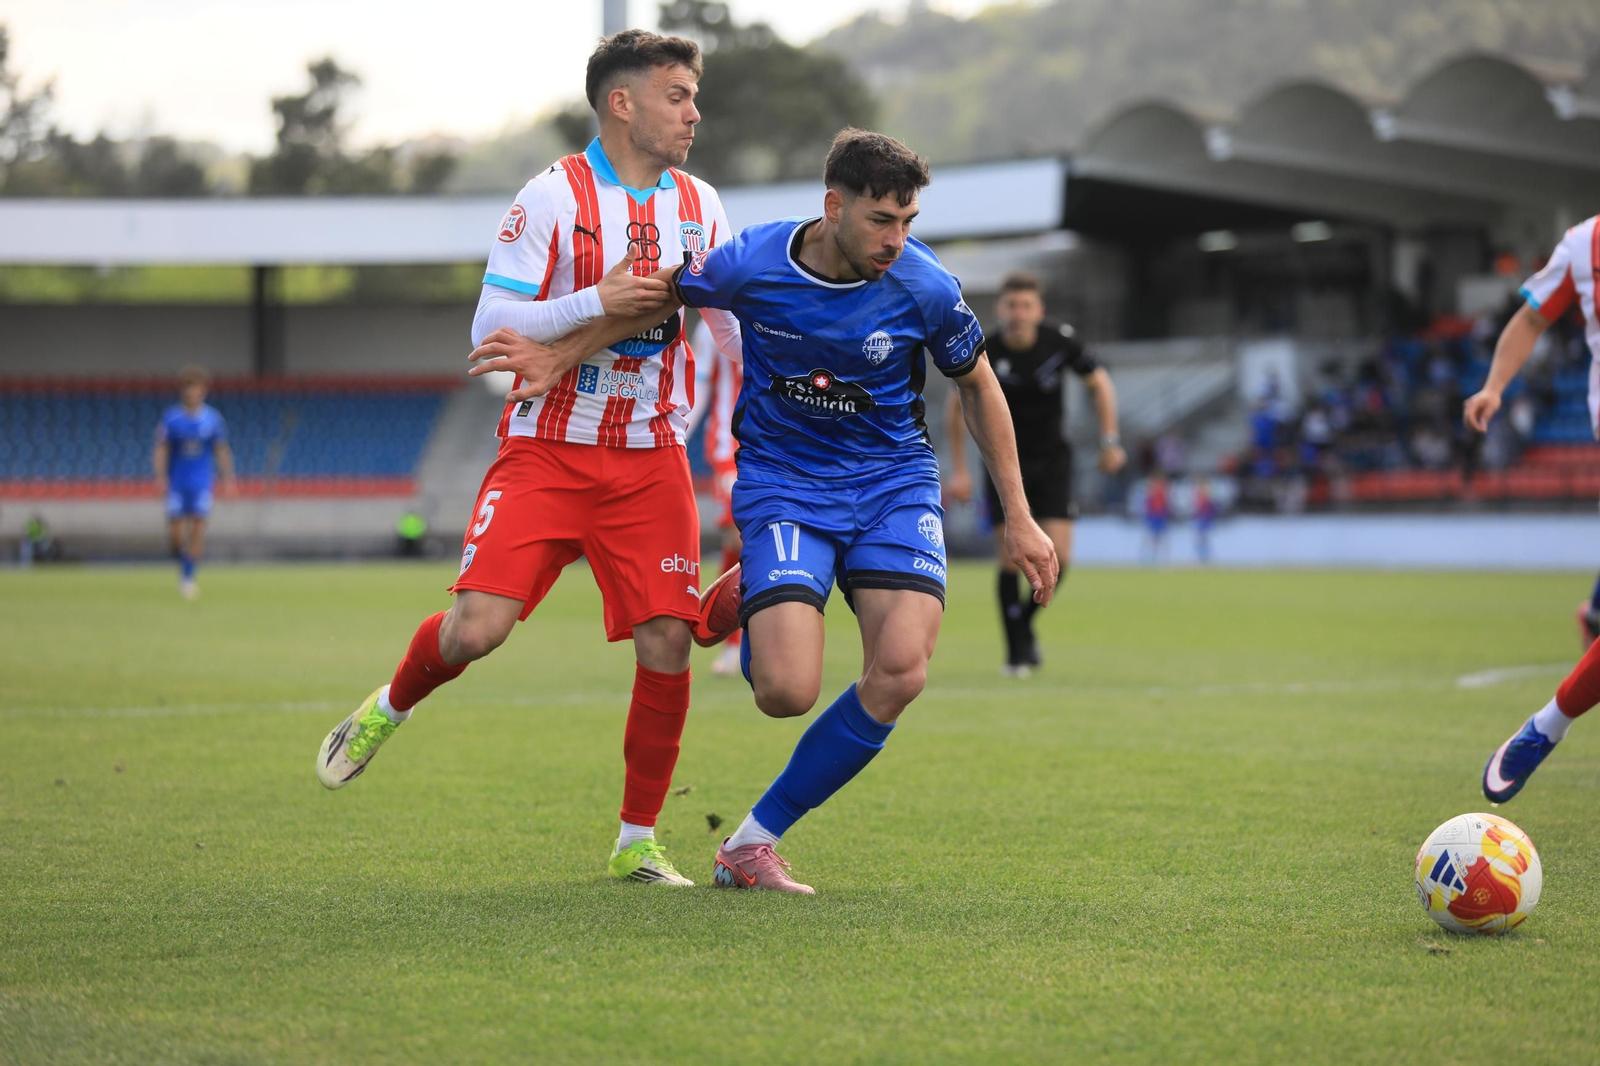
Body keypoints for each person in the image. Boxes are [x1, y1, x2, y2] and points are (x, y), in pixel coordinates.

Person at [467, 129, 1058, 892]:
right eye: (881, 220)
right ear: (834, 207)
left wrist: (1020, 516)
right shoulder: (752, 260)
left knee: (901, 671)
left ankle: (751, 842)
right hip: (786, 482)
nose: (896, 239)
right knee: (785, 693)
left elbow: (978, 385)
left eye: (908, 221)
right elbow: (662, 296)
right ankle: (751, 591)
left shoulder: (927, 286)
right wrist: (560, 353)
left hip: (892, 484)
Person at [313, 29, 744, 888]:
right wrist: (594, 299)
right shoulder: (550, 196)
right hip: (547, 449)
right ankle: (389, 706)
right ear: (621, 103)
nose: (693, 112)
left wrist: (779, 390)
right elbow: (490, 325)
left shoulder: (701, 204)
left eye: (694, 97)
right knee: (477, 630)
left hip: (650, 455)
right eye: (676, 96)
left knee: (668, 640)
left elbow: (728, 325)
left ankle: (637, 842)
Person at [1464, 214, 1600, 803]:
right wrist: (1495, 386)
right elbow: (1531, 317)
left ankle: (1547, 723)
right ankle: (1545, 728)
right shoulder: (1584, 244)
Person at [944, 271, 1125, 676]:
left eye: (1026, 306)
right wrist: (960, 470)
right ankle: (1015, 655)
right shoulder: (985, 348)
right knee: (1011, 559)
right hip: (1002, 464)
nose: (1019, 313)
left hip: (1053, 460)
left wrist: (1110, 439)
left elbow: (1100, 383)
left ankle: (1023, 627)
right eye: (1012, 305)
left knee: (1061, 556)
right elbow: (956, 407)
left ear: (1039, 310)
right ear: (1000, 309)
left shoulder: (1058, 342)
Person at [686, 317, 745, 677]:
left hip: (781, 442)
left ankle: (765, 636)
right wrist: (678, 434)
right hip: (730, 444)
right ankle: (733, 639)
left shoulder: (787, 300)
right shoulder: (713, 318)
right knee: (738, 537)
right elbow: (699, 381)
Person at [153, 366, 235, 599]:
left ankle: (188, 577)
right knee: (176, 535)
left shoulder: (213, 419)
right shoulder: (172, 419)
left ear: (203, 391)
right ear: (183, 391)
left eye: (196, 389)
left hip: (201, 483)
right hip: (177, 483)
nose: (192, 393)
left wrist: (228, 480)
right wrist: (160, 477)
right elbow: (162, 449)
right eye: (188, 389)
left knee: (198, 528)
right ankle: (183, 563)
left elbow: (221, 450)